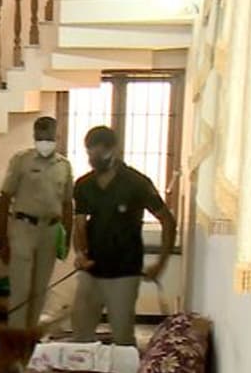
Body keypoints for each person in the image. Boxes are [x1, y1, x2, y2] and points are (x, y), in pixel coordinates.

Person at [71, 125, 177, 346]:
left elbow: (167, 221)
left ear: (113, 150)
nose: (93, 158)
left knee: (122, 338)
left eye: (99, 153)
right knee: (80, 335)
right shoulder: (84, 185)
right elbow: (79, 224)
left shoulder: (136, 183)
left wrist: (161, 262)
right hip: (91, 271)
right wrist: (80, 253)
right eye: (90, 153)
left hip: (124, 272)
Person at [0, 116, 74, 329]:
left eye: (49, 138)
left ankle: (31, 339)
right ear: (34, 136)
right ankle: (16, 339)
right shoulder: (21, 160)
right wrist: (3, 240)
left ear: (57, 136)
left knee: (40, 290)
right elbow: (5, 199)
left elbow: (68, 203)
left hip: (50, 231)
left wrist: (67, 239)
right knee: (21, 291)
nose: (44, 142)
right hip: (24, 228)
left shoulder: (64, 165)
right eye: (40, 138)